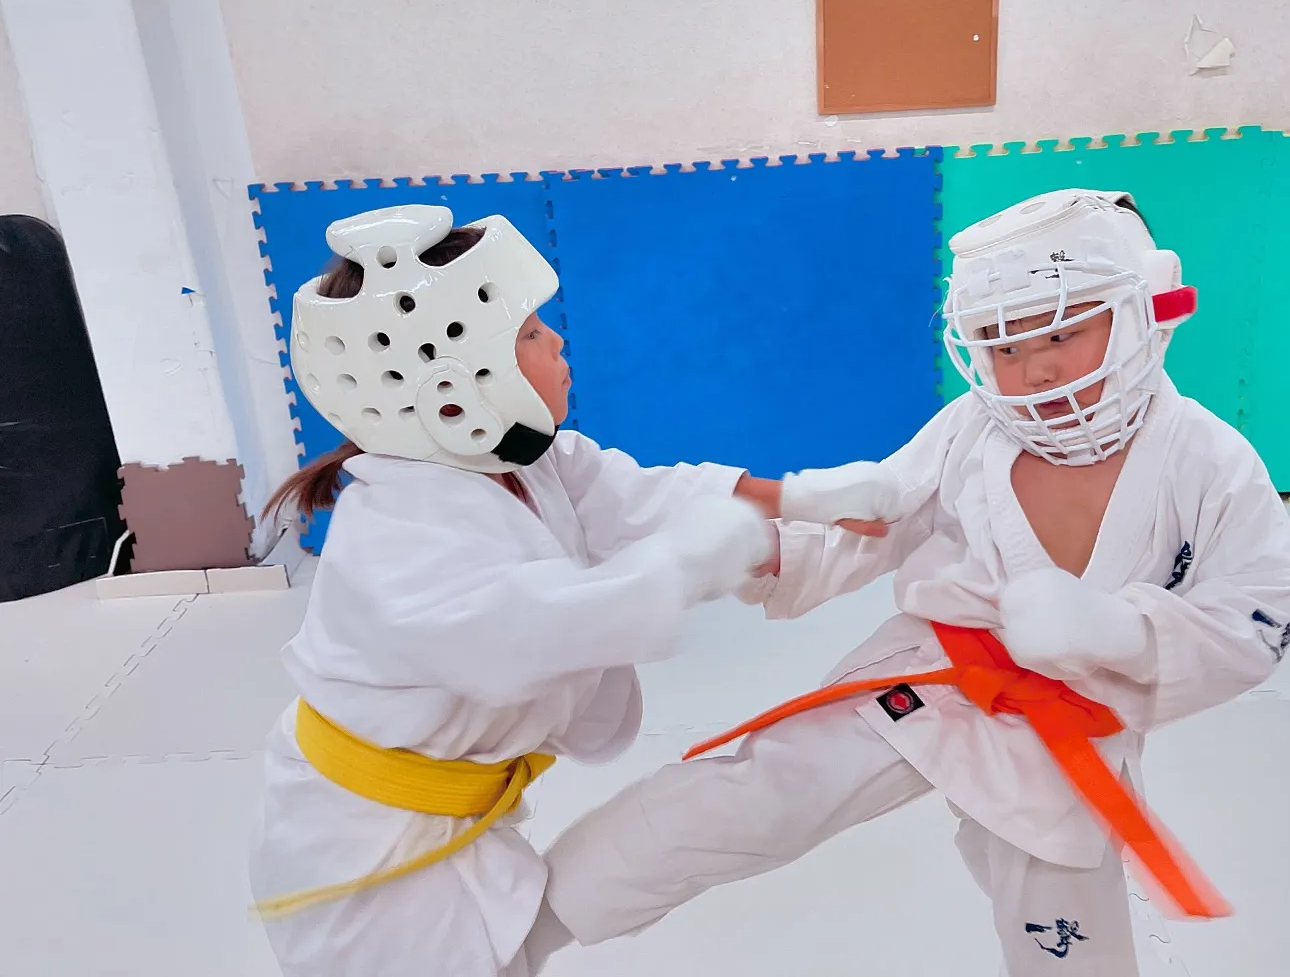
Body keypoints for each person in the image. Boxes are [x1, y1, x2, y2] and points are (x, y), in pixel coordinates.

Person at [535, 189, 1290, 976]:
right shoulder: (974, 428)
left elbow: (1262, 608)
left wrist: (1121, 634)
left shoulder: (1210, 462)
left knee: (1068, 931)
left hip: (1065, 730)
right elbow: (881, 524)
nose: (1035, 367)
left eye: (1065, 332)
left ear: (1147, 309)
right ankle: (528, 921)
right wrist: (760, 548)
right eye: (1004, 348)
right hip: (933, 675)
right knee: (746, 794)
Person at [247, 204, 902, 977]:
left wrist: (801, 497)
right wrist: (685, 569)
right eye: (528, 332)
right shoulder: (398, 533)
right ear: (455, 381)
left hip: (451, 814)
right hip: (363, 849)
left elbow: (643, 496)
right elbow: (528, 632)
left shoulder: (525, 461)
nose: (555, 341)